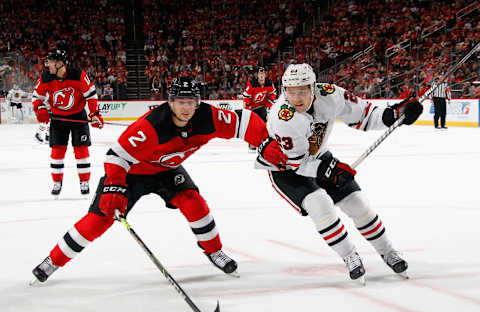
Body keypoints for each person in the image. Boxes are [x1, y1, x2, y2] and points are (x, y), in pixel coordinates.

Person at [31, 77, 287, 284]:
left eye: (191, 102)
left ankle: (214, 251)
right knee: (100, 219)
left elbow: (245, 122)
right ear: (170, 102)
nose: (186, 108)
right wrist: (114, 187)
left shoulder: (208, 117)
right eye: (180, 102)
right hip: (132, 173)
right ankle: (53, 260)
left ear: (198, 102)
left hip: (166, 170)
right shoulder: (151, 126)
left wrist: (264, 142)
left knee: (194, 203)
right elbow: (116, 156)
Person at [256, 63, 423, 283]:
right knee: (320, 205)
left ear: (313, 87)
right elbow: (297, 163)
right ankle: (349, 256)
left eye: (303, 91)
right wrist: (331, 171)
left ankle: (388, 251)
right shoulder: (282, 117)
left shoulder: (330, 94)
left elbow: (365, 114)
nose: (296, 98)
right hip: (286, 169)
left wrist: (394, 114)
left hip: (319, 157)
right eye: (291, 91)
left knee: (357, 203)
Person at [31, 49, 104, 197]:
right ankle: (57, 183)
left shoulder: (78, 75)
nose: (48, 65)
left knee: (81, 151)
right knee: (57, 152)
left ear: (60, 63)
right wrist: (39, 108)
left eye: (51, 62)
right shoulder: (46, 77)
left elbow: (91, 95)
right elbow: (36, 97)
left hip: (78, 117)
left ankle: (84, 182)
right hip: (58, 119)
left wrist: (94, 114)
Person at [243, 66, 277, 151]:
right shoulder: (252, 84)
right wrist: (248, 107)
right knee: (253, 126)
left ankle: (262, 142)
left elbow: (273, 94)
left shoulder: (269, 83)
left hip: (262, 108)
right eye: (260, 73)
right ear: (257, 75)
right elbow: (246, 96)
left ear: (265, 75)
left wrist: (269, 104)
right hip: (253, 108)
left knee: (263, 126)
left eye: (263, 73)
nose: (261, 75)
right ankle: (252, 143)